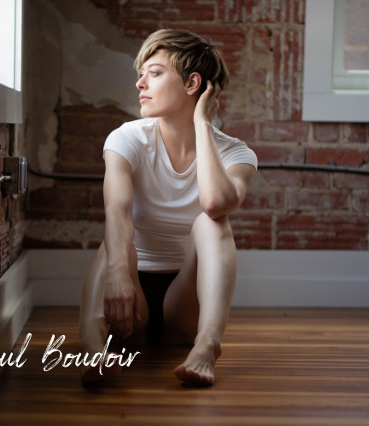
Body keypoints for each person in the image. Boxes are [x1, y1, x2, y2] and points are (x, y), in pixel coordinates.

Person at [79, 29, 257, 386]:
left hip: (186, 301)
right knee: (113, 246)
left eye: (155, 73)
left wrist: (203, 124)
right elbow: (116, 210)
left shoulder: (237, 153)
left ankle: (207, 346)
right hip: (129, 293)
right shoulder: (127, 138)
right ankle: (93, 351)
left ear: (193, 83)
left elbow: (216, 202)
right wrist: (118, 274)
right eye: (141, 74)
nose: (140, 83)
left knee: (213, 222)